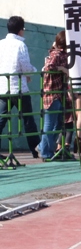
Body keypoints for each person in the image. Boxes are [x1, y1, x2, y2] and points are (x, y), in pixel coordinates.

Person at [0, 16, 41, 159]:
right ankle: (36, 150)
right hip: (19, 89)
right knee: (28, 120)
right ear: (20, 30)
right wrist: (32, 72)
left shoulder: (1, 44)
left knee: (1, 120)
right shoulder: (20, 45)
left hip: (3, 88)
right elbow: (25, 66)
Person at [38, 30, 72, 161]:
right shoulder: (57, 54)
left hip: (56, 94)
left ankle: (43, 147)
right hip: (52, 93)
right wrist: (62, 69)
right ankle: (45, 151)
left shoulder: (58, 53)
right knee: (50, 124)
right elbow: (49, 67)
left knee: (58, 123)